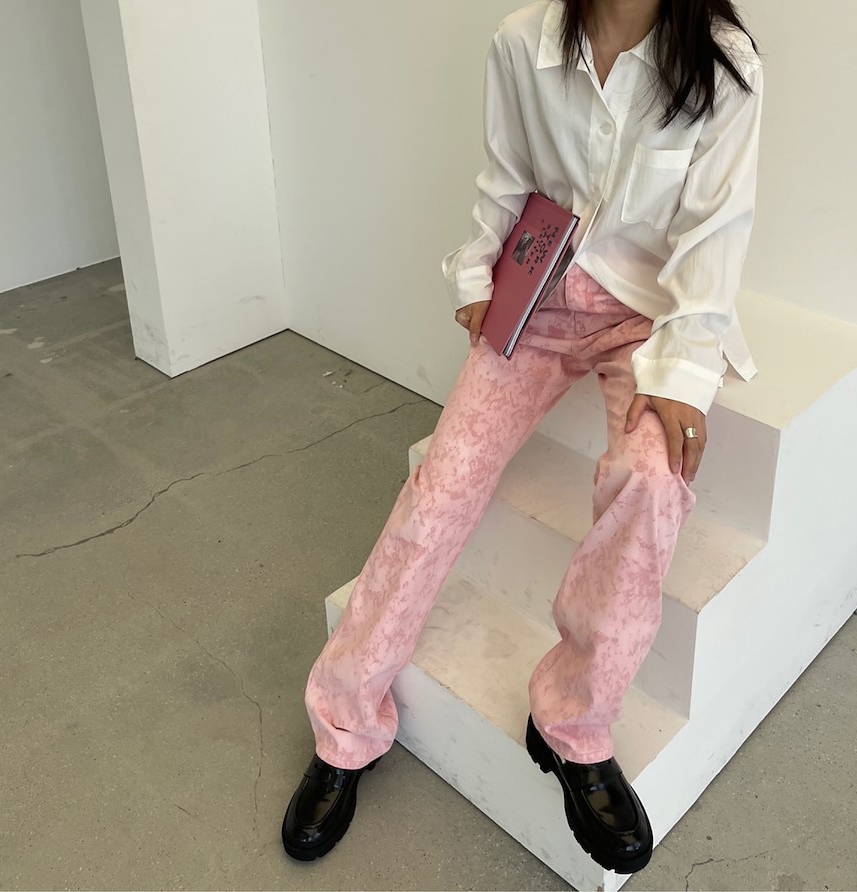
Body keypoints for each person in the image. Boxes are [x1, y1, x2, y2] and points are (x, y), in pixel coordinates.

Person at [281, 0, 763, 875]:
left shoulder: (723, 63)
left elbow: (714, 235)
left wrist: (685, 373)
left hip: (646, 317)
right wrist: (477, 277)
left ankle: (573, 721)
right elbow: (506, 179)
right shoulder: (521, 43)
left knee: (653, 482)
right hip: (538, 297)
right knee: (441, 489)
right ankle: (345, 723)